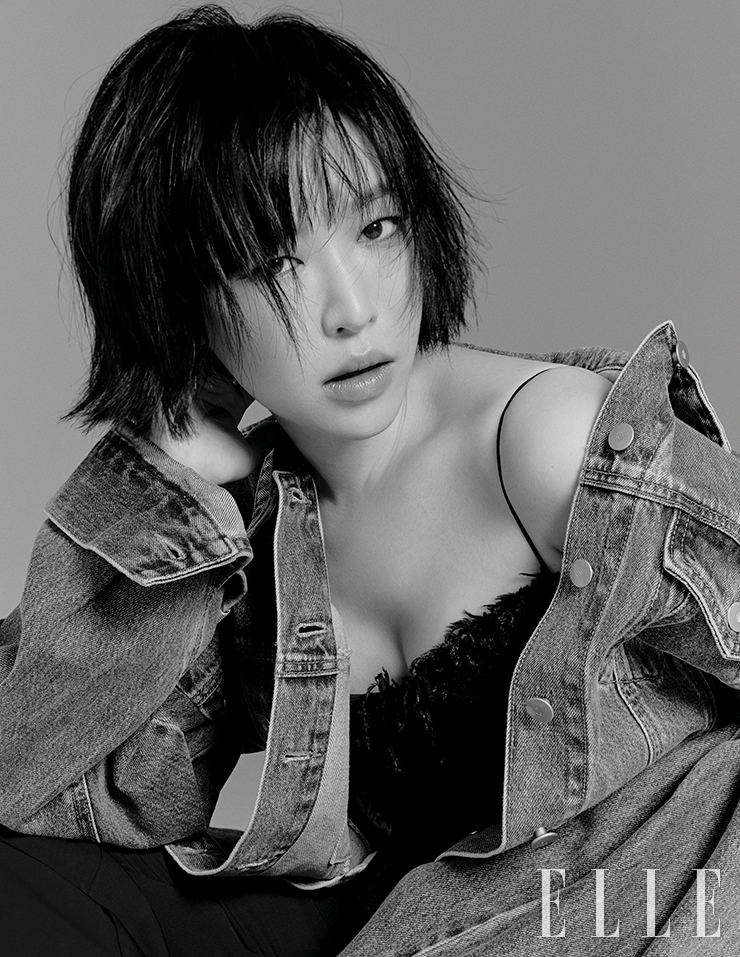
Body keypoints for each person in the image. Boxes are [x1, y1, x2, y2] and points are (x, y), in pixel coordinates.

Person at [2, 5, 740, 955]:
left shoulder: (550, 445)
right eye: (274, 262)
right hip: (422, 919)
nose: (353, 310)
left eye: (377, 226)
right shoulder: (258, 533)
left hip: (654, 897)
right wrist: (169, 487)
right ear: (178, 300)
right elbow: (52, 789)